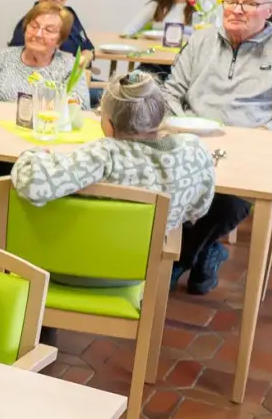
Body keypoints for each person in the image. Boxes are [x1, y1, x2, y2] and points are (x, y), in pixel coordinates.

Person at [162, 0, 272, 294]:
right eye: (232, 1)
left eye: (249, 3)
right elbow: (170, 93)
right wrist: (184, 123)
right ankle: (207, 251)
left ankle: (178, 259)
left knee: (228, 202)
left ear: (270, 10)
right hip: (191, 140)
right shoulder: (201, 40)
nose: (236, 10)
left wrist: (261, 134)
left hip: (250, 149)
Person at [11, 71, 217, 286]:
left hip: (58, 268)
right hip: (135, 274)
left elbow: (33, 184)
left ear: (108, 124)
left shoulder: (104, 154)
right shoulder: (193, 151)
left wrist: (32, 154)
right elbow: (198, 209)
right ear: (160, 116)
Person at [0, 2, 92, 228]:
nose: (38, 34)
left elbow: (80, 105)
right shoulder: (5, 57)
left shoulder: (69, 65)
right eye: (34, 26)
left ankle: (17, 236)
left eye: (48, 30)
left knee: (28, 171)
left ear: (60, 40)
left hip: (43, 147)